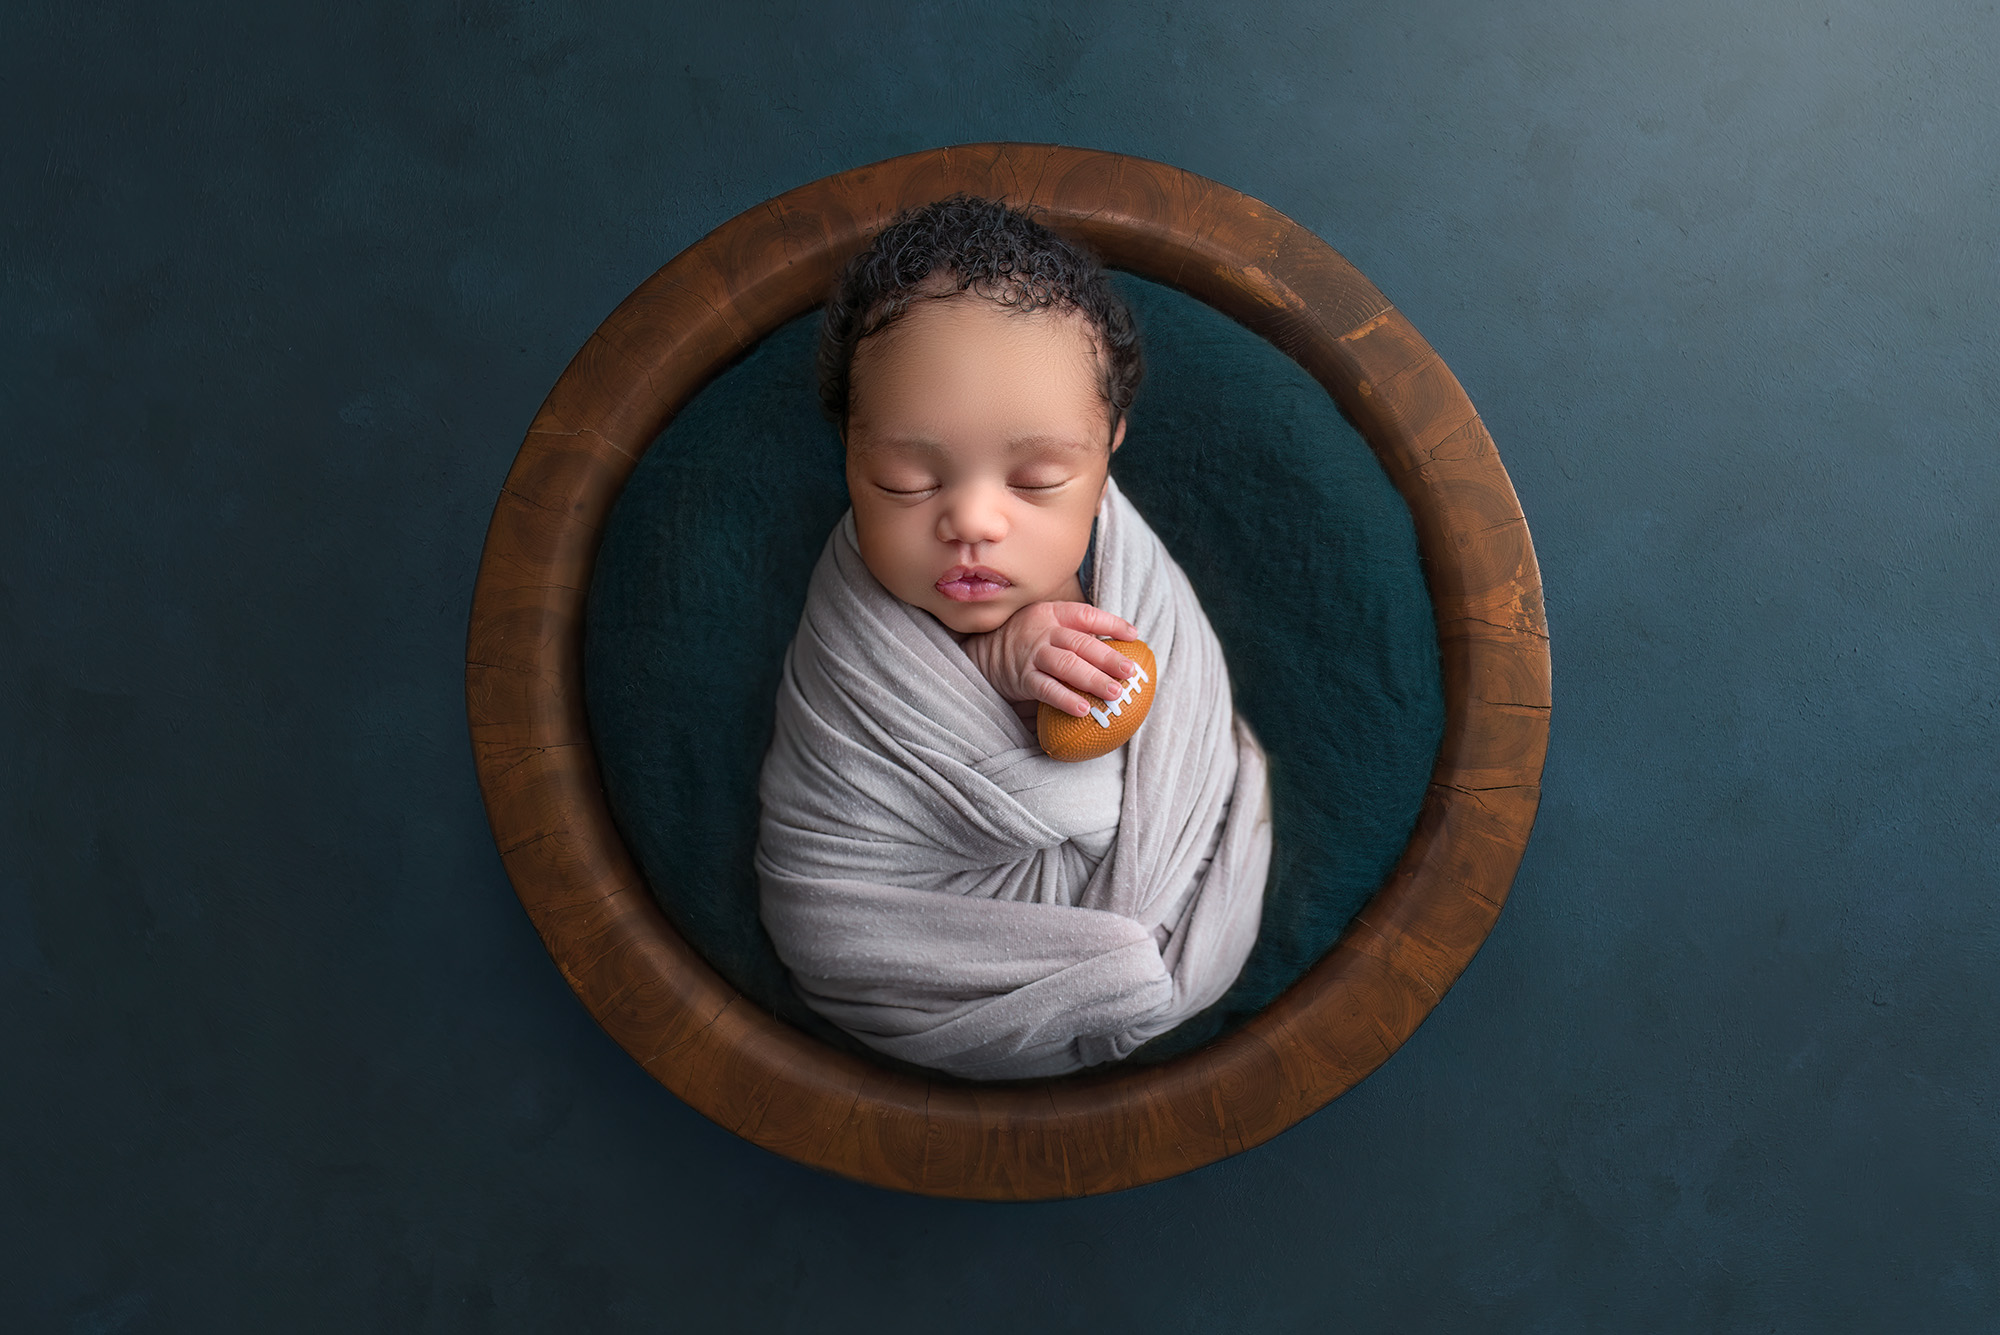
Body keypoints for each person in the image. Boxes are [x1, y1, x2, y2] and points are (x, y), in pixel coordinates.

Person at [755, 196, 1272, 1080]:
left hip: (1152, 912)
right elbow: (835, 854)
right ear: (848, 451)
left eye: (1037, 480)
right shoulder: (858, 626)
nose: (972, 520)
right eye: (905, 481)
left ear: (1108, 449)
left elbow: (1175, 733)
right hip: (899, 931)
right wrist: (999, 658)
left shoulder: (1135, 590)